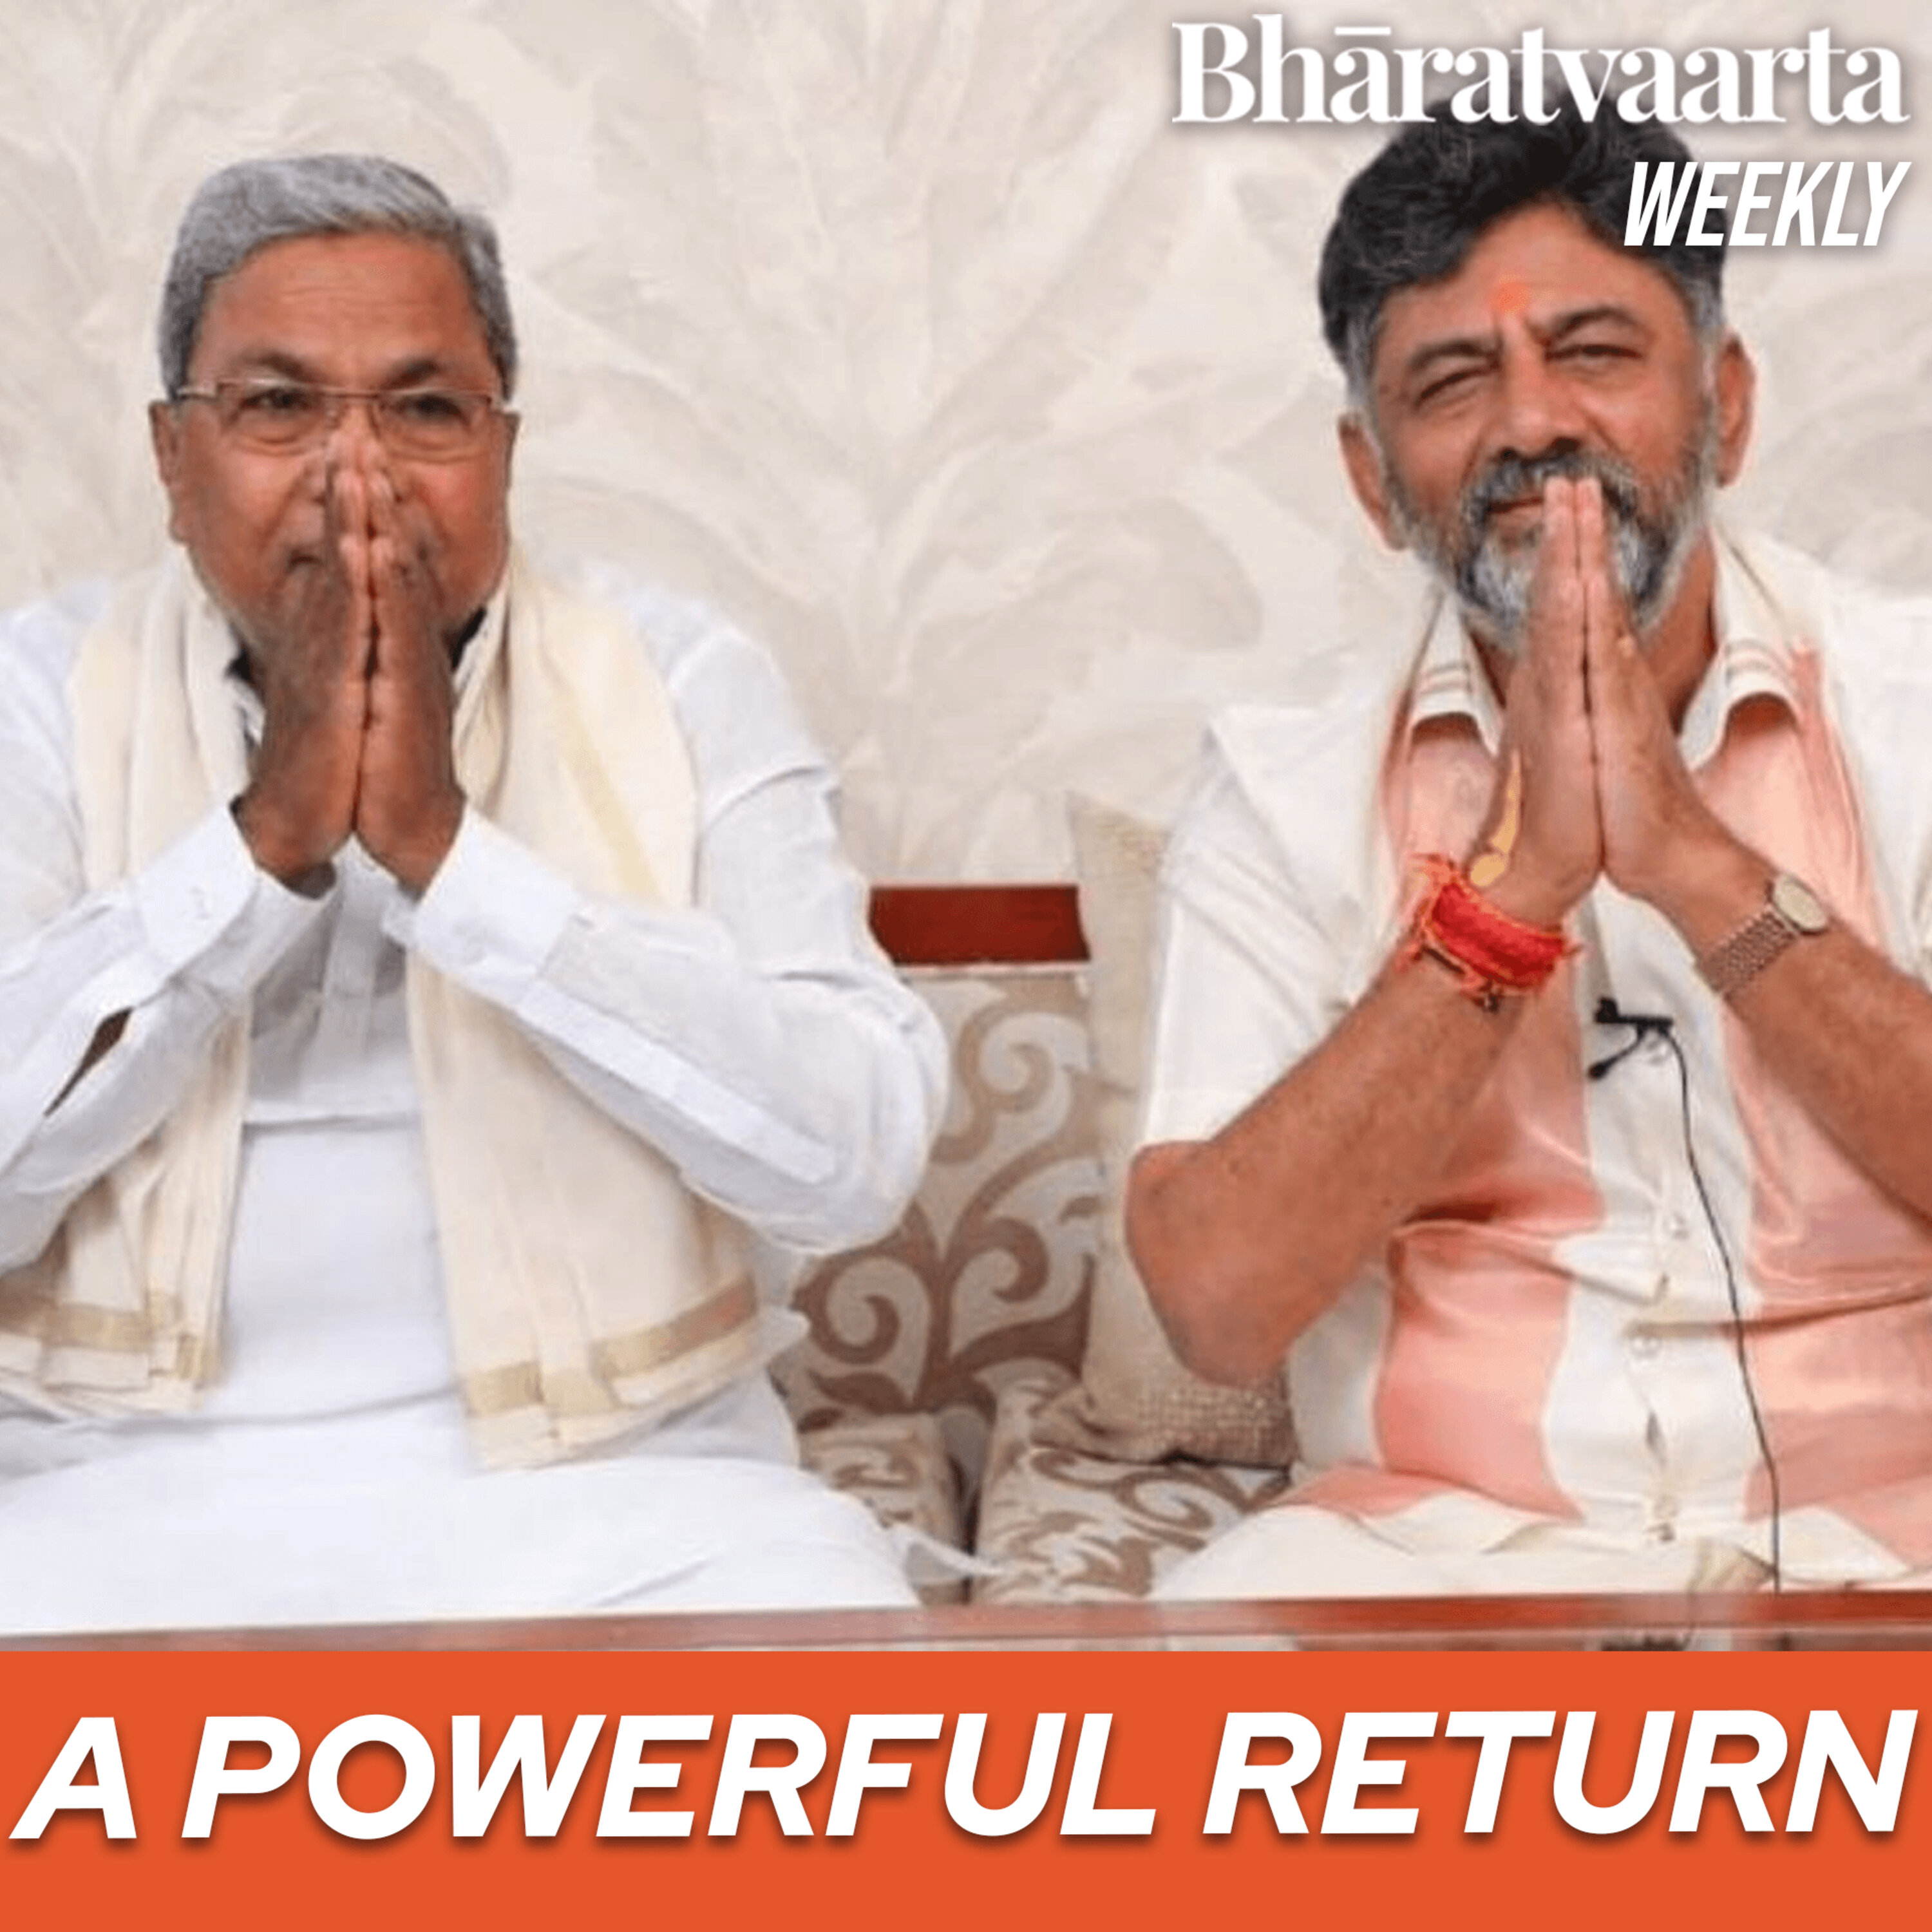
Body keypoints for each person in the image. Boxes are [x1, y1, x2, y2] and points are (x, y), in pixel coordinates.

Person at [0, 155, 947, 1630]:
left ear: (501, 449)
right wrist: (258, 853)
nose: (356, 476)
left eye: (425, 410)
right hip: (106, 1498)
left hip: (633, 1495)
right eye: (278, 405)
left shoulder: (683, 678)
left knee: (863, 1734)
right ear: (175, 460)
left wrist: (456, 863)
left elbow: (853, 1156)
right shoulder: (39, 694)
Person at [1126, 104, 1932, 1598]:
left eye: (1596, 352)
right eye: (1451, 381)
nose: (1534, 423)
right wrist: (1510, 900)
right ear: (1374, 481)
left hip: (1895, 1529)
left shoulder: (1912, 706)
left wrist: (1695, 866)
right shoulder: (1283, 785)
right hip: (1431, 1546)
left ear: (1726, 406)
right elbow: (1218, 1310)